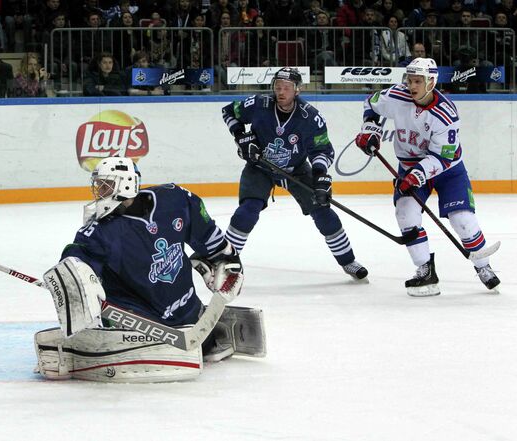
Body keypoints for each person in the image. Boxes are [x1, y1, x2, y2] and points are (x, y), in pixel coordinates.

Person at [33, 157, 250, 382]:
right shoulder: (99, 231)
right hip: (136, 320)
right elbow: (78, 254)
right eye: (98, 186)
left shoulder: (175, 199)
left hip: (186, 312)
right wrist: (74, 273)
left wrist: (227, 261)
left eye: (105, 185)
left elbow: (210, 238)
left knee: (196, 327)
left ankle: (197, 325)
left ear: (126, 184)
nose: (99, 192)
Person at [354, 57, 500, 296]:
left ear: (431, 81)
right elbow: (371, 104)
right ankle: (425, 271)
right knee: (405, 214)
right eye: (410, 80)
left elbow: (443, 157)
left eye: (418, 81)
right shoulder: (396, 97)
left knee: (462, 220)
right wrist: (371, 128)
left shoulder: (446, 114)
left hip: (448, 170)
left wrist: (417, 175)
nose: (412, 86)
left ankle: (483, 265)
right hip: (409, 166)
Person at [221, 67, 369, 281]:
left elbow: (322, 151)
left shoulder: (310, 117)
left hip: (297, 170)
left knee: (324, 213)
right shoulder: (258, 104)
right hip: (260, 167)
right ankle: (223, 261)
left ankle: (348, 261)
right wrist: (242, 137)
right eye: (277, 87)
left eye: (287, 88)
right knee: (247, 211)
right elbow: (228, 111)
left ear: (297, 90)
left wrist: (319, 177)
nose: (281, 92)